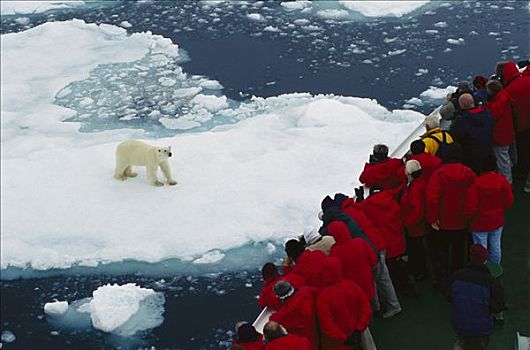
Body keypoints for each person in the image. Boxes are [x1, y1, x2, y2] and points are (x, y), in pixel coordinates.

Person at [337, 195, 402, 318]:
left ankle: (386, 307)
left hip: (372, 247)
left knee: (377, 278)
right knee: (382, 278)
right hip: (379, 242)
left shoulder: (345, 216)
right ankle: (390, 304)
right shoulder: (358, 207)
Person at [426, 143, 477, 289]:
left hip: (442, 222)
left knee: (441, 253)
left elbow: (432, 198)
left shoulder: (439, 174)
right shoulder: (469, 173)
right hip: (462, 221)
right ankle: (458, 278)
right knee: (458, 252)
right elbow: (475, 195)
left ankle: (442, 281)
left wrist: (432, 218)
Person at [447, 245, 506, 350]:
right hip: (481, 328)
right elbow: (499, 305)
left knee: (461, 343)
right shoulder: (490, 281)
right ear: (485, 261)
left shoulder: (457, 275)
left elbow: (449, 297)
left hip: (460, 324)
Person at [315, 257, 374, 350]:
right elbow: (365, 308)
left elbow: (327, 325)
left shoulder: (323, 297)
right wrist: (359, 329)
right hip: (357, 333)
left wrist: (344, 339)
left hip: (338, 343)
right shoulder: (352, 286)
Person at [464, 156, 514, 265]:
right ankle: (495, 269)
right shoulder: (502, 181)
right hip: (496, 220)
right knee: (496, 246)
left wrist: (467, 219)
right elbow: (509, 200)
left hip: (479, 222)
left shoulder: (476, 184)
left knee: (481, 248)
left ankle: (482, 270)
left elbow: (471, 207)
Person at [495, 61, 530, 179]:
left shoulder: (508, 92)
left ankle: (521, 172)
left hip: (520, 126)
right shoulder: (527, 80)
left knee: (522, 150)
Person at [327, 221, 377, 301]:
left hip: (352, 288)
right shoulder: (360, 242)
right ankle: (377, 310)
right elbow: (373, 259)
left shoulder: (334, 252)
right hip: (367, 280)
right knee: (371, 299)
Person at [399, 160, 430, 281]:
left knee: (417, 250)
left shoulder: (415, 188)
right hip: (415, 225)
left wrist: (407, 223)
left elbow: (417, 210)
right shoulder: (417, 183)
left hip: (414, 227)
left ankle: (419, 271)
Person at [450, 93, 493, 175]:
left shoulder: (462, 121)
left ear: (461, 105)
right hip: (488, 152)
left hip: (470, 156)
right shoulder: (487, 114)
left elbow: (454, 136)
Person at [269, 280, 318, 347]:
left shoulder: (280, 316)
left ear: (278, 297)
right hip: (323, 331)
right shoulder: (308, 290)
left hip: (309, 342)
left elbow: (272, 322)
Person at [486, 79, 515, 183]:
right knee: (505, 156)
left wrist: (488, 105)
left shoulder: (499, 102)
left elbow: (493, 115)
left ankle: (507, 181)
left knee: (502, 158)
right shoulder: (504, 97)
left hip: (500, 134)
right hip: (506, 131)